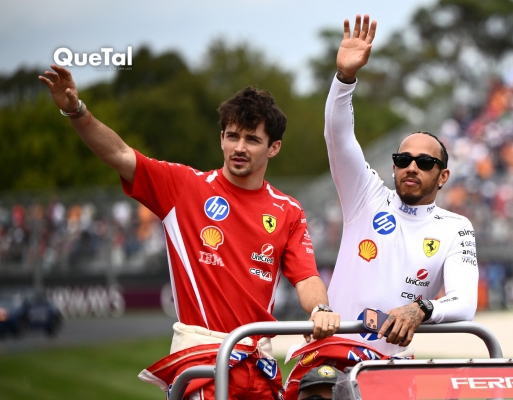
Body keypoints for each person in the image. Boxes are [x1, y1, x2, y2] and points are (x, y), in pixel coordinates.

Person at [38, 65, 340, 400]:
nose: (239, 147)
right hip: (203, 362)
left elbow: (306, 276)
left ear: (274, 147)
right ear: (221, 138)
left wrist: (320, 310)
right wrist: (76, 111)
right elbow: (120, 154)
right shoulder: (183, 186)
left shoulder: (288, 210)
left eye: (252, 139)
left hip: (259, 366)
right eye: (232, 136)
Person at [325, 14, 478, 356]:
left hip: (391, 367)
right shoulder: (365, 196)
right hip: (330, 356)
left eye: (425, 163)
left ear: (443, 176)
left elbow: (465, 301)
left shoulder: (456, 227)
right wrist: (345, 78)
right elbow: (338, 137)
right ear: (394, 166)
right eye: (403, 159)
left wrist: (421, 309)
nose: (411, 167)